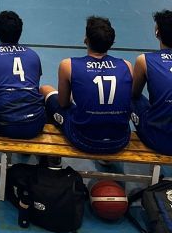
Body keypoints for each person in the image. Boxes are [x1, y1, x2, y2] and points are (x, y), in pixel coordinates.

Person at [41, 16, 133, 154]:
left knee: (45, 90)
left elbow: (63, 103)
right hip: (119, 140)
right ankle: (106, 160)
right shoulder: (127, 65)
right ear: (111, 42)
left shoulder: (68, 65)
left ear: (86, 40)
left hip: (84, 139)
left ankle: (51, 154)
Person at [0, 11, 46, 139]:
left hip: (4, 125)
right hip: (35, 124)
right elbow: (35, 86)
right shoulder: (33, 55)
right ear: (20, 32)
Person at [131, 9, 172, 155]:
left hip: (158, 140)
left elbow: (134, 94)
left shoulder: (144, 60)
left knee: (126, 93)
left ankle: (108, 141)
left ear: (157, 33)